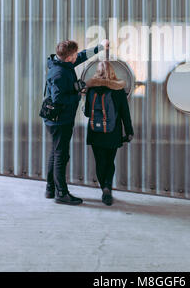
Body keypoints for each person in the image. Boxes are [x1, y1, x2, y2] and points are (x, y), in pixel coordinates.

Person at [44, 38, 109, 205]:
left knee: (55, 152)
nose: (76, 57)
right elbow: (59, 99)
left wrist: (100, 47)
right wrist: (78, 93)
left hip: (56, 120)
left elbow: (80, 56)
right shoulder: (59, 73)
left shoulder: (62, 64)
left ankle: (50, 188)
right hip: (60, 120)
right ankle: (61, 193)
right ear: (68, 58)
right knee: (61, 156)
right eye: (73, 55)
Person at [84, 61, 134, 206]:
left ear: (97, 72)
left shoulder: (91, 89)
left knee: (100, 161)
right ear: (112, 72)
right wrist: (129, 131)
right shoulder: (118, 89)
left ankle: (104, 190)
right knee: (109, 161)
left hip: (95, 131)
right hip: (112, 131)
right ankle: (107, 187)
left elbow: (88, 113)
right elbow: (125, 113)